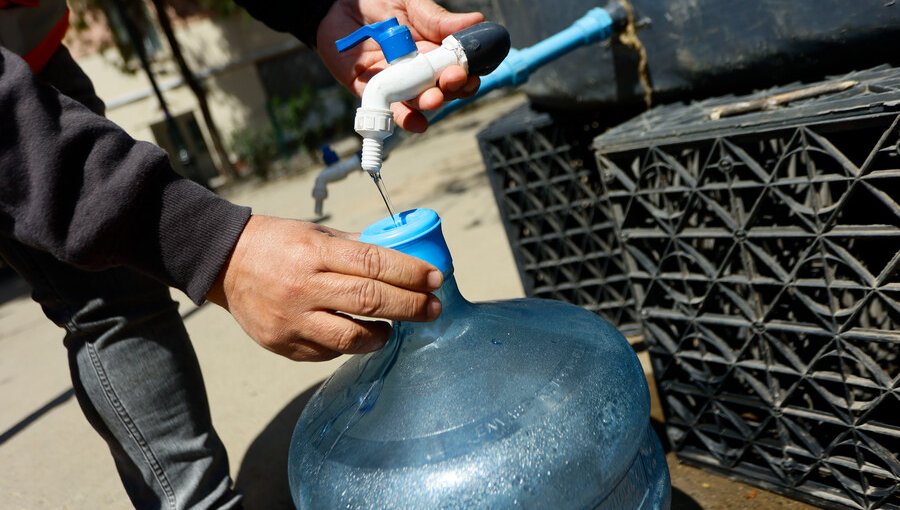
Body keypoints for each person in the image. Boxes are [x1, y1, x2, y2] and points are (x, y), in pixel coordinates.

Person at [0, 0, 483, 507]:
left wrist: (326, 9)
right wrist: (216, 248)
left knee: (121, 292)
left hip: (35, 47)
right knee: (104, 297)